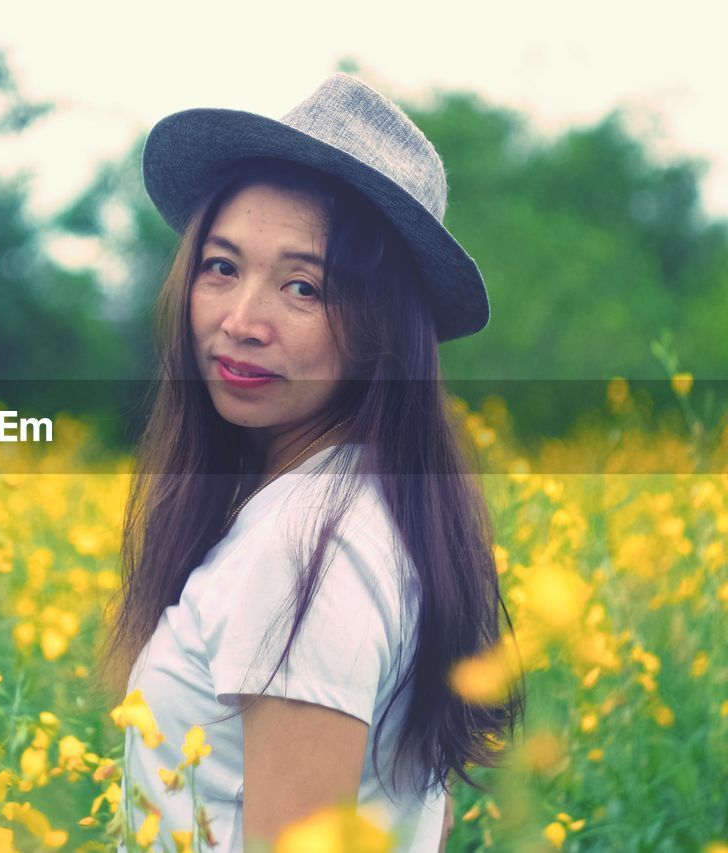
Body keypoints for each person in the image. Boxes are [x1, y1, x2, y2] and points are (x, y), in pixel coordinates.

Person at [93, 73, 525, 852]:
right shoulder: (373, 511)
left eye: (303, 286)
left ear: (380, 329)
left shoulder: (309, 550)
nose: (241, 319)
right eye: (222, 267)